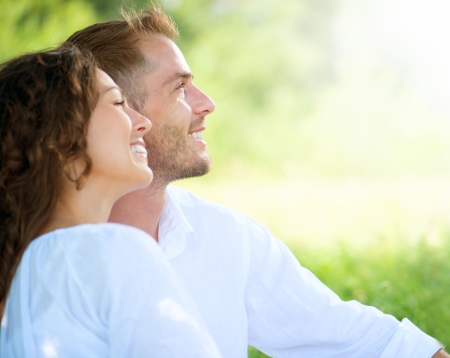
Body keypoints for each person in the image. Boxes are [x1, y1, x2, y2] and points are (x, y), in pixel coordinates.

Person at [65, 5, 449, 358]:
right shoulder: (34, 245)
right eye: (179, 87)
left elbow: (363, 340)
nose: (207, 103)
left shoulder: (224, 236)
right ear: (119, 112)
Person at [0, 47, 223, 357]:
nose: (142, 122)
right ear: (61, 136)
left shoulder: (20, 274)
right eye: (118, 102)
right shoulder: (111, 249)